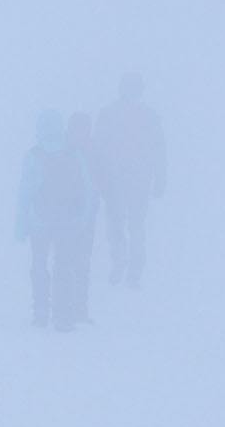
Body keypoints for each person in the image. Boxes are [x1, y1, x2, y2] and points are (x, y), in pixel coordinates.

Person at [14, 109, 92, 331]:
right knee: (64, 267)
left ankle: (40, 313)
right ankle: (62, 316)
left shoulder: (32, 155)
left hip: (39, 222)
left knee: (39, 266)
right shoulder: (74, 153)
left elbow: (25, 193)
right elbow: (87, 189)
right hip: (68, 222)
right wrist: (82, 220)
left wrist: (20, 227)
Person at [92, 72, 166, 288]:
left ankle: (126, 266)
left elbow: (159, 151)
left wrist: (160, 179)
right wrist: (159, 180)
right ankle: (128, 267)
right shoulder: (145, 116)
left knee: (125, 225)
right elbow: (98, 149)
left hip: (125, 181)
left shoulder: (114, 114)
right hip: (123, 181)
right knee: (130, 226)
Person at [64, 111, 99, 324]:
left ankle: (75, 308)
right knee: (73, 261)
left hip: (80, 213)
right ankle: (72, 308)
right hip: (73, 213)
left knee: (76, 261)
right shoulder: (84, 149)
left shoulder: (89, 149)